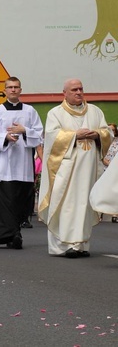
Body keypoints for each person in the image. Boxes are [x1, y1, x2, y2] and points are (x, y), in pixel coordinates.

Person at [39, 79, 111, 258]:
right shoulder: (55, 113)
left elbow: (107, 132)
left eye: (81, 89)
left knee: (84, 204)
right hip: (66, 170)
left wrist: (97, 134)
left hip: (89, 169)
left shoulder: (95, 111)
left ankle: (81, 245)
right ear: (65, 93)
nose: (79, 92)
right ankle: (63, 245)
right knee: (67, 204)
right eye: (74, 90)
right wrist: (74, 135)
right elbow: (51, 137)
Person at [0, 76, 43, 250]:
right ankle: (12, 234)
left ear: (21, 90)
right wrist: (4, 137)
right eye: (10, 87)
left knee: (19, 200)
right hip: (2, 165)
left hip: (22, 165)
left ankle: (15, 230)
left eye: (16, 87)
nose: (13, 90)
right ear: (4, 90)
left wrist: (23, 130)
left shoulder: (30, 111)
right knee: (3, 201)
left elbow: (39, 134)